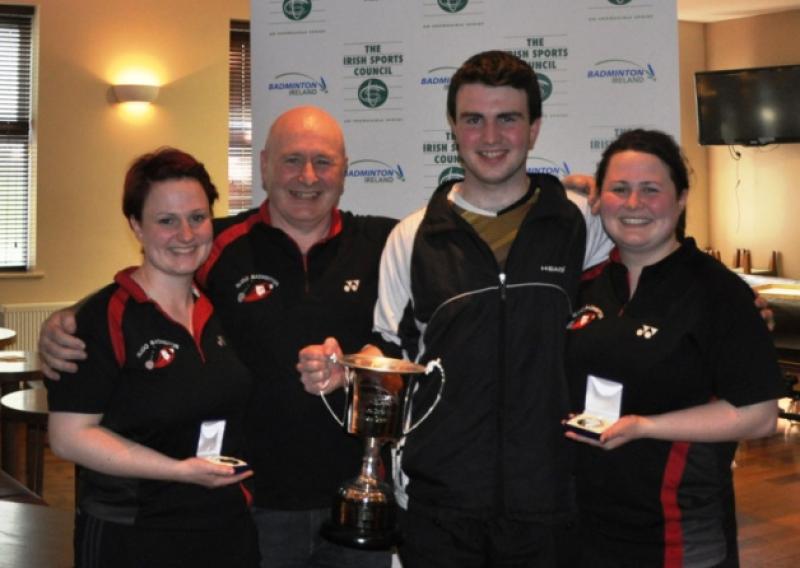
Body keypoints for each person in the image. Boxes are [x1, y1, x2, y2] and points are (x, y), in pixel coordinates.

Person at [39, 106, 395, 568]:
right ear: (264, 165)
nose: (307, 176)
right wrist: (67, 317)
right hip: (250, 501)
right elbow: (142, 289)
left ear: (344, 170)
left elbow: (417, 336)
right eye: (291, 160)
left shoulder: (385, 245)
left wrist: (365, 360)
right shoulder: (217, 246)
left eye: (323, 162)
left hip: (352, 499)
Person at [299, 50, 612, 567]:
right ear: (453, 127)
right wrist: (347, 372)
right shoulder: (413, 236)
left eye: (507, 119)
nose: (491, 137)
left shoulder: (583, 223)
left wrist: (734, 303)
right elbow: (391, 352)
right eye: (474, 120)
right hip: (441, 507)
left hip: (552, 500)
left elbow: (650, 270)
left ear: (534, 129)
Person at [564, 129, 784, 567]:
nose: (633, 205)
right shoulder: (582, 287)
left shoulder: (719, 292)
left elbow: (759, 416)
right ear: (598, 199)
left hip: (679, 539)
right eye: (619, 190)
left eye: (651, 190)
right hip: (584, 533)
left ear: (681, 199)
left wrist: (645, 426)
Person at [45, 148, 260, 567]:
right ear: (136, 227)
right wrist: (178, 470)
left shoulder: (221, 309)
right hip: (133, 534)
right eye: (166, 221)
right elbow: (69, 437)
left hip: (223, 526)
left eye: (198, 218)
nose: (186, 234)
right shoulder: (99, 319)